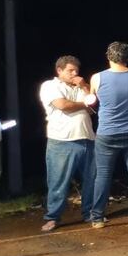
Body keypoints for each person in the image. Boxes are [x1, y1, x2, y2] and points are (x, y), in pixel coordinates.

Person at [88, 41, 128, 228]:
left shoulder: (96, 78)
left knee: (103, 175)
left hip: (107, 133)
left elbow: (93, 103)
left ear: (109, 56)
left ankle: (98, 218)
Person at [38, 56, 97, 231]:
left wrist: (85, 86)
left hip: (87, 139)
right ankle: (53, 217)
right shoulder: (50, 86)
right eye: (70, 70)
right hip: (61, 141)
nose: (75, 73)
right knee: (58, 182)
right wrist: (84, 104)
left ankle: (90, 213)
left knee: (91, 180)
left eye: (76, 70)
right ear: (59, 71)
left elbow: (93, 106)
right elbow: (62, 104)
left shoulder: (80, 87)